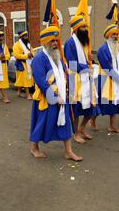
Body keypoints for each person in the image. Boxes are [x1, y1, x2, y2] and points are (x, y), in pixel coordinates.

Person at [29, 26, 82, 162]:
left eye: (56, 40)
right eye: (52, 41)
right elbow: (41, 82)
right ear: (45, 42)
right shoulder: (39, 59)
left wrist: (68, 91)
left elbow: (63, 75)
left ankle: (68, 151)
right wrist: (54, 97)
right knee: (42, 124)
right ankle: (34, 148)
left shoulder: (58, 56)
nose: (55, 43)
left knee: (66, 124)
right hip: (46, 99)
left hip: (62, 97)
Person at [64, 15, 95, 144]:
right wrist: (87, 66)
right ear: (76, 29)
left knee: (91, 107)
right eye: (82, 27)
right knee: (76, 109)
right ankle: (75, 133)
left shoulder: (84, 42)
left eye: (85, 26)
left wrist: (90, 61)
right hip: (75, 80)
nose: (85, 29)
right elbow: (72, 64)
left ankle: (82, 128)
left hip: (87, 78)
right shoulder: (70, 43)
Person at [97, 24, 119, 134]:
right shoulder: (102, 49)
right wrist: (118, 78)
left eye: (117, 34)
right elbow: (107, 67)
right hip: (106, 81)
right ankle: (92, 121)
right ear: (108, 35)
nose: (116, 36)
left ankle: (112, 126)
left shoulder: (117, 48)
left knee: (115, 104)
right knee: (101, 103)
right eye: (114, 34)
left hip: (116, 80)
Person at [13, 30, 35, 99]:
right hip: (22, 64)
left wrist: (32, 54)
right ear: (21, 37)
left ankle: (19, 92)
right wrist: (26, 56)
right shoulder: (16, 45)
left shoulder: (28, 44)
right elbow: (16, 55)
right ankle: (27, 95)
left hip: (29, 63)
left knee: (22, 79)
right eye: (25, 36)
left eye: (27, 36)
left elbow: (32, 51)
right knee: (25, 80)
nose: (26, 37)